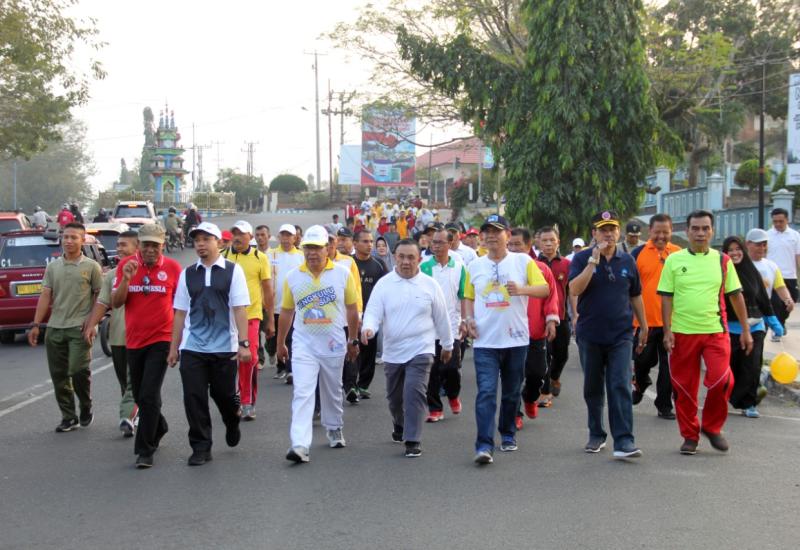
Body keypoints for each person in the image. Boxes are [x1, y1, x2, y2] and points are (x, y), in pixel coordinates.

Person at [658, 210, 752, 455]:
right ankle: (690, 436)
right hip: (682, 333)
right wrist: (667, 330)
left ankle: (711, 427)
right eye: (696, 228)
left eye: (705, 228)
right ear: (687, 231)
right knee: (685, 388)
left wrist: (745, 330)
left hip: (715, 332)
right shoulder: (674, 261)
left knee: (723, 380)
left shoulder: (722, 261)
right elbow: (666, 297)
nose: (700, 233)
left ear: (712, 231)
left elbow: (735, 295)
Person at [464, 215, 549, 465]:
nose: (492, 236)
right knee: (487, 392)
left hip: (516, 340)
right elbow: (467, 296)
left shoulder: (523, 261)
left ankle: (508, 433)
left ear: (507, 235)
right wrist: (467, 319)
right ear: (482, 237)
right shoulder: (474, 266)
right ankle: (484, 444)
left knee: (511, 393)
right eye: (487, 232)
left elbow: (544, 289)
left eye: (497, 231)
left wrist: (522, 290)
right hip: (485, 342)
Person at [168, 222, 251, 466]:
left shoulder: (232, 271)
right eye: (197, 240)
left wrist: (244, 344)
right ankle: (201, 446)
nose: (201, 244)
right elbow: (180, 313)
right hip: (193, 346)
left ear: (219, 242)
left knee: (223, 395)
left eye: (206, 239)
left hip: (225, 348)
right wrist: (174, 347)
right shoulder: (188, 273)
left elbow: (239, 309)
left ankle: (231, 419)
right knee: (194, 397)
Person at [362, 239, 452, 457]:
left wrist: (448, 344)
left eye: (411, 257)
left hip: (421, 349)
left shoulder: (430, 285)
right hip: (393, 352)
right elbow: (373, 311)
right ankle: (399, 423)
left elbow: (442, 317)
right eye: (401, 257)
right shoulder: (384, 284)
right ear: (395, 258)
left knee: (414, 392)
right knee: (395, 399)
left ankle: (413, 439)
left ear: (419, 260)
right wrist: (369, 328)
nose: (405, 261)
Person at [278, 225, 360, 464]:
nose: (312, 253)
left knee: (332, 390)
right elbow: (286, 311)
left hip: (333, 342)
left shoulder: (342, 274)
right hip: (304, 344)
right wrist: (281, 342)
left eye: (317, 248)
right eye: (308, 248)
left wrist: (353, 338)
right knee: (302, 392)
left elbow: (352, 309)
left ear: (327, 248)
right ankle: (300, 444)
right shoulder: (293, 277)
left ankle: (334, 427)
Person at [569, 210, 647, 459]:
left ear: (618, 232)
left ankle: (624, 441)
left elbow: (635, 294)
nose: (609, 234)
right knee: (593, 387)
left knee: (620, 384)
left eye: (612, 229)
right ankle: (596, 433)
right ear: (594, 234)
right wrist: (593, 261)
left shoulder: (627, 261)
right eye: (603, 229)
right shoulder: (581, 259)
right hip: (590, 334)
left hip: (621, 335)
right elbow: (574, 288)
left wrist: (643, 325)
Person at [111, 224, 182, 468]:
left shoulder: (173, 268)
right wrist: (126, 280)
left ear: (163, 245)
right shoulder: (126, 266)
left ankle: (145, 449)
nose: (150, 250)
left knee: (150, 394)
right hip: (134, 340)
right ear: (139, 245)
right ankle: (159, 426)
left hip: (161, 339)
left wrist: (176, 343)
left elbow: (180, 309)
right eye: (146, 245)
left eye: (155, 245)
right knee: (142, 395)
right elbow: (116, 303)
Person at [29, 222, 102, 432]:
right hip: (55, 327)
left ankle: (86, 405)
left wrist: (91, 322)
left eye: (74, 237)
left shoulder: (91, 267)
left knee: (78, 370)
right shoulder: (53, 267)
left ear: (83, 239)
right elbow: (45, 295)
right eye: (66, 237)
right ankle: (69, 416)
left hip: (80, 328)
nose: (69, 241)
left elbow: (99, 296)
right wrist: (36, 324)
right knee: (59, 375)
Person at [85, 230, 140, 436]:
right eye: (118, 244)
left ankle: (127, 415)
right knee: (125, 383)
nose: (119, 247)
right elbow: (102, 302)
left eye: (124, 244)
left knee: (135, 381)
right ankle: (136, 413)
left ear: (137, 247)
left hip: (141, 338)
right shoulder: (112, 274)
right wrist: (91, 325)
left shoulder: (146, 272)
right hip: (117, 337)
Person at [722, 236, 782, 419]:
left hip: (755, 326)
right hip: (730, 329)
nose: (734, 253)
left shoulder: (752, 271)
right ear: (725, 253)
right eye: (730, 250)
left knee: (751, 366)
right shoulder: (720, 272)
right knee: (733, 367)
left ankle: (749, 403)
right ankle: (733, 397)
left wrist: (773, 321)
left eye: (737, 248)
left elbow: (763, 298)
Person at [629, 213, 680, 419]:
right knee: (642, 362)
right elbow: (630, 288)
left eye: (665, 232)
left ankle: (664, 405)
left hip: (672, 323)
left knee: (669, 368)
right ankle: (641, 383)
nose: (661, 236)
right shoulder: (638, 253)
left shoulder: (678, 253)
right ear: (649, 232)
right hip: (644, 323)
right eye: (657, 232)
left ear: (671, 232)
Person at [223, 221, 275, 420]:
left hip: (252, 316)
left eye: (241, 234)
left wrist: (270, 321)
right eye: (234, 233)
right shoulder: (223, 256)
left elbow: (268, 291)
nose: (237, 237)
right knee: (226, 361)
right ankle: (233, 398)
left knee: (249, 358)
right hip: (227, 317)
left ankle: (246, 401)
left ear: (250, 237)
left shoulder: (260, 258)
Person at [508, 228, 559, 428]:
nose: (513, 249)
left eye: (517, 244)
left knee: (536, 373)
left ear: (529, 246)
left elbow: (550, 295)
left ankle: (530, 398)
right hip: (509, 334)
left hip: (534, 332)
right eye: (510, 244)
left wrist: (551, 320)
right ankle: (515, 414)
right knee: (512, 376)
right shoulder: (500, 271)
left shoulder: (540, 268)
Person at [420, 229, 468, 423]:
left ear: (450, 244)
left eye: (440, 242)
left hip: (452, 325)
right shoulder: (423, 266)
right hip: (428, 327)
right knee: (431, 369)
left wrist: (464, 320)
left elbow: (463, 295)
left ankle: (453, 394)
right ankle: (435, 408)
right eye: (434, 243)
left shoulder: (459, 266)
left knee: (451, 368)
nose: (436, 246)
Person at [347, 230, 388, 400]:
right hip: (351, 313)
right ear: (355, 243)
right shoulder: (348, 264)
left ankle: (363, 384)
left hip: (372, 315)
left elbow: (387, 287)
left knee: (369, 351)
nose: (369, 244)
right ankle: (351, 386)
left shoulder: (378, 264)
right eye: (365, 241)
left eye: (371, 241)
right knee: (352, 348)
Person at [535, 226, 571, 407]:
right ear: (538, 243)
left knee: (562, 354)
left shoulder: (566, 264)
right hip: (541, 318)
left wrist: (577, 313)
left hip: (562, 317)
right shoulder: (532, 264)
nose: (548, 244)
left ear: (558, 242)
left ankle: (555, 376)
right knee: (545, 355)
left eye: (552, 240)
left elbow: (572, 292)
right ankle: (545, 391)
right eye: (544, 240)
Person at [267, 224, 305, 379]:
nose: (286, 239)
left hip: (293, 306)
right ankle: (280, 365)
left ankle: (290, 369)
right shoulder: (271, 255)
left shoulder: (302, 256)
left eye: (289, 235)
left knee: (290, 336)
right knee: (274, 338)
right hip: (274, 304)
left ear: (295, 238)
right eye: (283, 235)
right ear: (278, 237)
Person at [747, 227, 795, 342]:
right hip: (745, 311)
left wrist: (788, 299)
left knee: (759, 341)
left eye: (764, 244)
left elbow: (780, 287)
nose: (762, 248)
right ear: (748, 244)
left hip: (764, 310)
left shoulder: (772, 266)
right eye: (758, 244)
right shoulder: (740, 264)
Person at [766, 207, 800, 333]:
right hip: (772, 277)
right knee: (775, 303)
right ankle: (778, 328)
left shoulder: (795, 236)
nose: (778, 224)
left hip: (790, 275)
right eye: (775, 221)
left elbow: (798, 256)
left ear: (787, 220)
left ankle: (781, 322)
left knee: (791, 301)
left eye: (781, 221)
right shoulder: (767, 235)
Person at [254, 224, 272, 367]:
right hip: (255, 301)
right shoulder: (251, 254)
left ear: (269, 237)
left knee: (270, 331)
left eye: (263, 235)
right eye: (258, 235)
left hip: (271, 300)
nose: (260, 238)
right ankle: (259, 358)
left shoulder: (275, 254)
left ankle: (271, 351)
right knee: (255, 332)